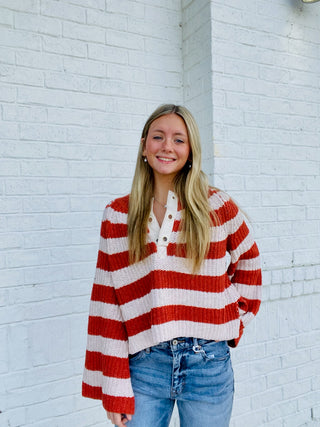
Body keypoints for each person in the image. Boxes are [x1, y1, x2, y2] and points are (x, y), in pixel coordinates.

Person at [82, 104, 262, 427]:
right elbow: (107, 305)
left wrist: (232, 321)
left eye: (179, 139)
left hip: (208, 364)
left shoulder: (218, 207)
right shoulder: (117, 216)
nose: (167, 146)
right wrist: (114, 388)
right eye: (158, 136)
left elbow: (250, 264)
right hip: (145, 367)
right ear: (143, 146)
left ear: (190, 151)